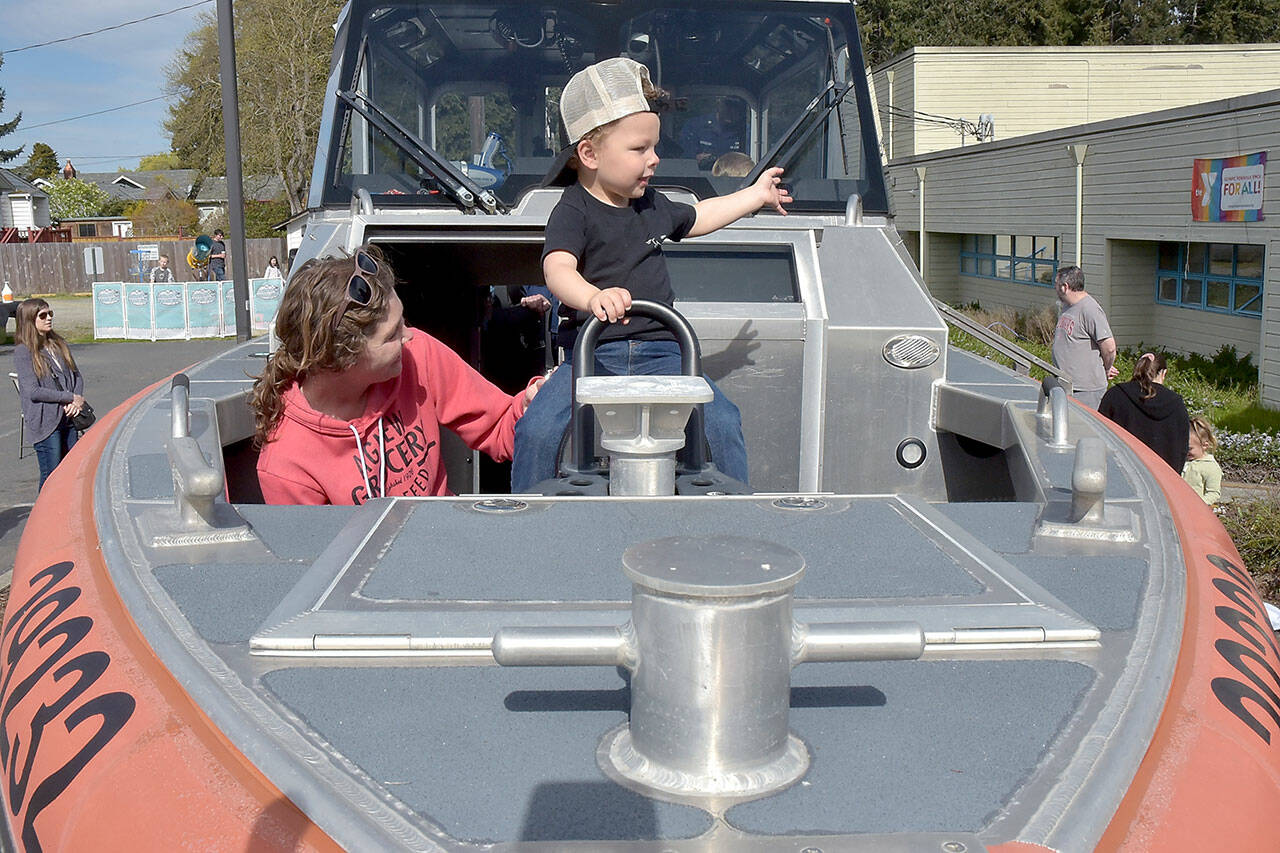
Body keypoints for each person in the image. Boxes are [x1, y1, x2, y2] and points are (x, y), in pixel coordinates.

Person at [513, 57, 791, 492]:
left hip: (664, 352)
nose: (654, 159)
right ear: (589, 154)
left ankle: (736, 508)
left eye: (654, 147)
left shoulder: (652, 206)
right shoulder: (572, 211)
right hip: (593, 356)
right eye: (639, 149)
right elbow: (558, 268)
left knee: (722, 419)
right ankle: (527, 513)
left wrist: (752, 196)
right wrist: (591, 298)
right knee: (538, 428)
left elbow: (700, 215)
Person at [251, 247, 544, 505]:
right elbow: (322, 560)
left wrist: (529, 409)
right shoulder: (286, 463)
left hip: (445, 538)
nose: (407, 337)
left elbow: (498, 425)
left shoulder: (416, 354)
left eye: (401, 322)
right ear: (341, 358)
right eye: (391, 335)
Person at [13, 299, 87, 491]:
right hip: (45, 422)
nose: (49, 319)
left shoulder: (58, 343)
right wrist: (69, 397)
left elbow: (76, 375)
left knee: (70, 470)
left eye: (50, 314)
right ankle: (44, 519)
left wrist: (76, 400)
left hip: (69, 417)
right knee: (51, 475)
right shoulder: (24, 351)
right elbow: (32, 391)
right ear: (30, 320)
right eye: (43, 315)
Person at [1098, 352, 1190, 472]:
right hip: (1162, 478)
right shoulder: (1176, 404)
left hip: (1120, 473)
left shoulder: (1115, 395)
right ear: (1163, 373)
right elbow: (1181, 449)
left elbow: (1099, 436)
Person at [1051, 265, 1117, 409]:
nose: (1055, 288)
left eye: (1056, 284)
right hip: (1066, 385)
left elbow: (1110, 348)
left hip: (1085, 390)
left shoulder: (1090, 309)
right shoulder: (1067, 306)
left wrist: (1107, 367)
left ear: (1065, 287)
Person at [678, 98, 746, 169]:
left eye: (736, 107)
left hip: (733, 177)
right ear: (719, 103)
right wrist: (695, 159)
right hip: (698, 175)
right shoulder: (695, 125)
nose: (731, 111)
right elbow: (681, 156)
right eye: (728, 105)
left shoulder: (744, 132)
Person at [1182, 416, 1223, 505]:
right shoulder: (1182, 460)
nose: (1185, 451)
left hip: (1195, 509)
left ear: (1204, 445)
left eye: (1189, 448)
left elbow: (1213, 493)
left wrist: (1200, 504)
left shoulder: (1210, 467)